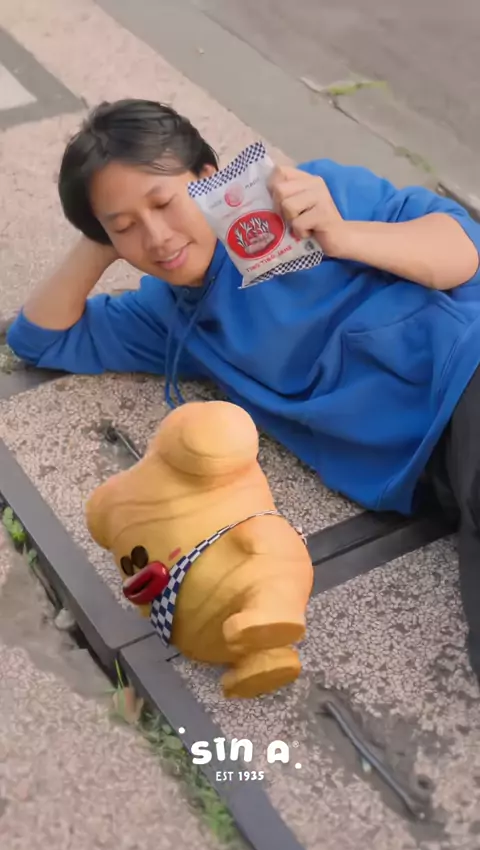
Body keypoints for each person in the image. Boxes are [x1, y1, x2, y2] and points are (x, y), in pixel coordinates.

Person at [7, 98, 480, 684]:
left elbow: (461, 251)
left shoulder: (308, 196)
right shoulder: (168, 317)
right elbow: (40, 338)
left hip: (464, 369)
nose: (157, 238)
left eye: (165, 203)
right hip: (430, 470)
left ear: (209, 178)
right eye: (125, 228)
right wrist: (101, 232)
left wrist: (340, 235)